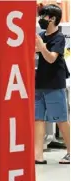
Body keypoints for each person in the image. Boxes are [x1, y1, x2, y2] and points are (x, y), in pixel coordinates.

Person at [35, 4, 70, 164]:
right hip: (39, 82)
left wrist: (41, 46)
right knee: (38, 119)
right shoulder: (41, 35)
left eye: (44, 16)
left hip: (54, 84)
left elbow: (51, 58)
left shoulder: (59, 38)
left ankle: (70, 151)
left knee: (61, 119)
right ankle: (38, 154)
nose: (41, 19)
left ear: (53, 19)